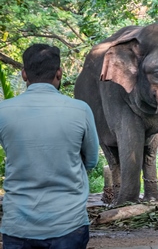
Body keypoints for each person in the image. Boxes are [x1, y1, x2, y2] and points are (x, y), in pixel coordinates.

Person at [0, 44, 99, 248]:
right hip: (68, 224)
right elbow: (91, 160)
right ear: (59, 73)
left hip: (17, 225)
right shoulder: (80, 110)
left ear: (24, 74)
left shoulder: (3, 111)